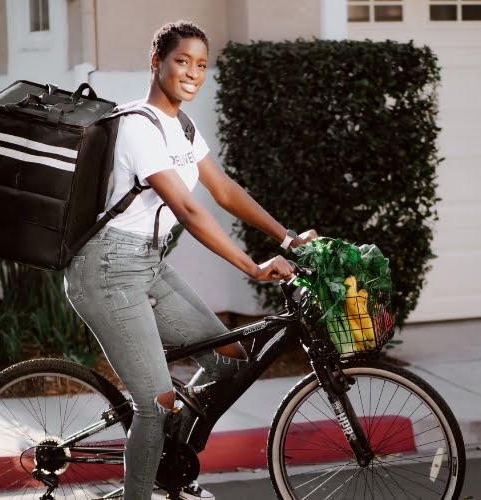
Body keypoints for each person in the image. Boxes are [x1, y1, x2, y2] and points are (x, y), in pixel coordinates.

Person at [64, 20, 317, 500]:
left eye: (202, 65)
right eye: (183, 61)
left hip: (148, 264)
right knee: (155, 405)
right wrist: (252, 268)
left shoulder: (181, 126)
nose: (193, 73)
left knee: (229, 361)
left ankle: (170, 465)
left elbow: (223, 191)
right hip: (106, 269)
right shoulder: (138, 127)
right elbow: (189, 208)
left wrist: (286, 238)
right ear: (157, 63)